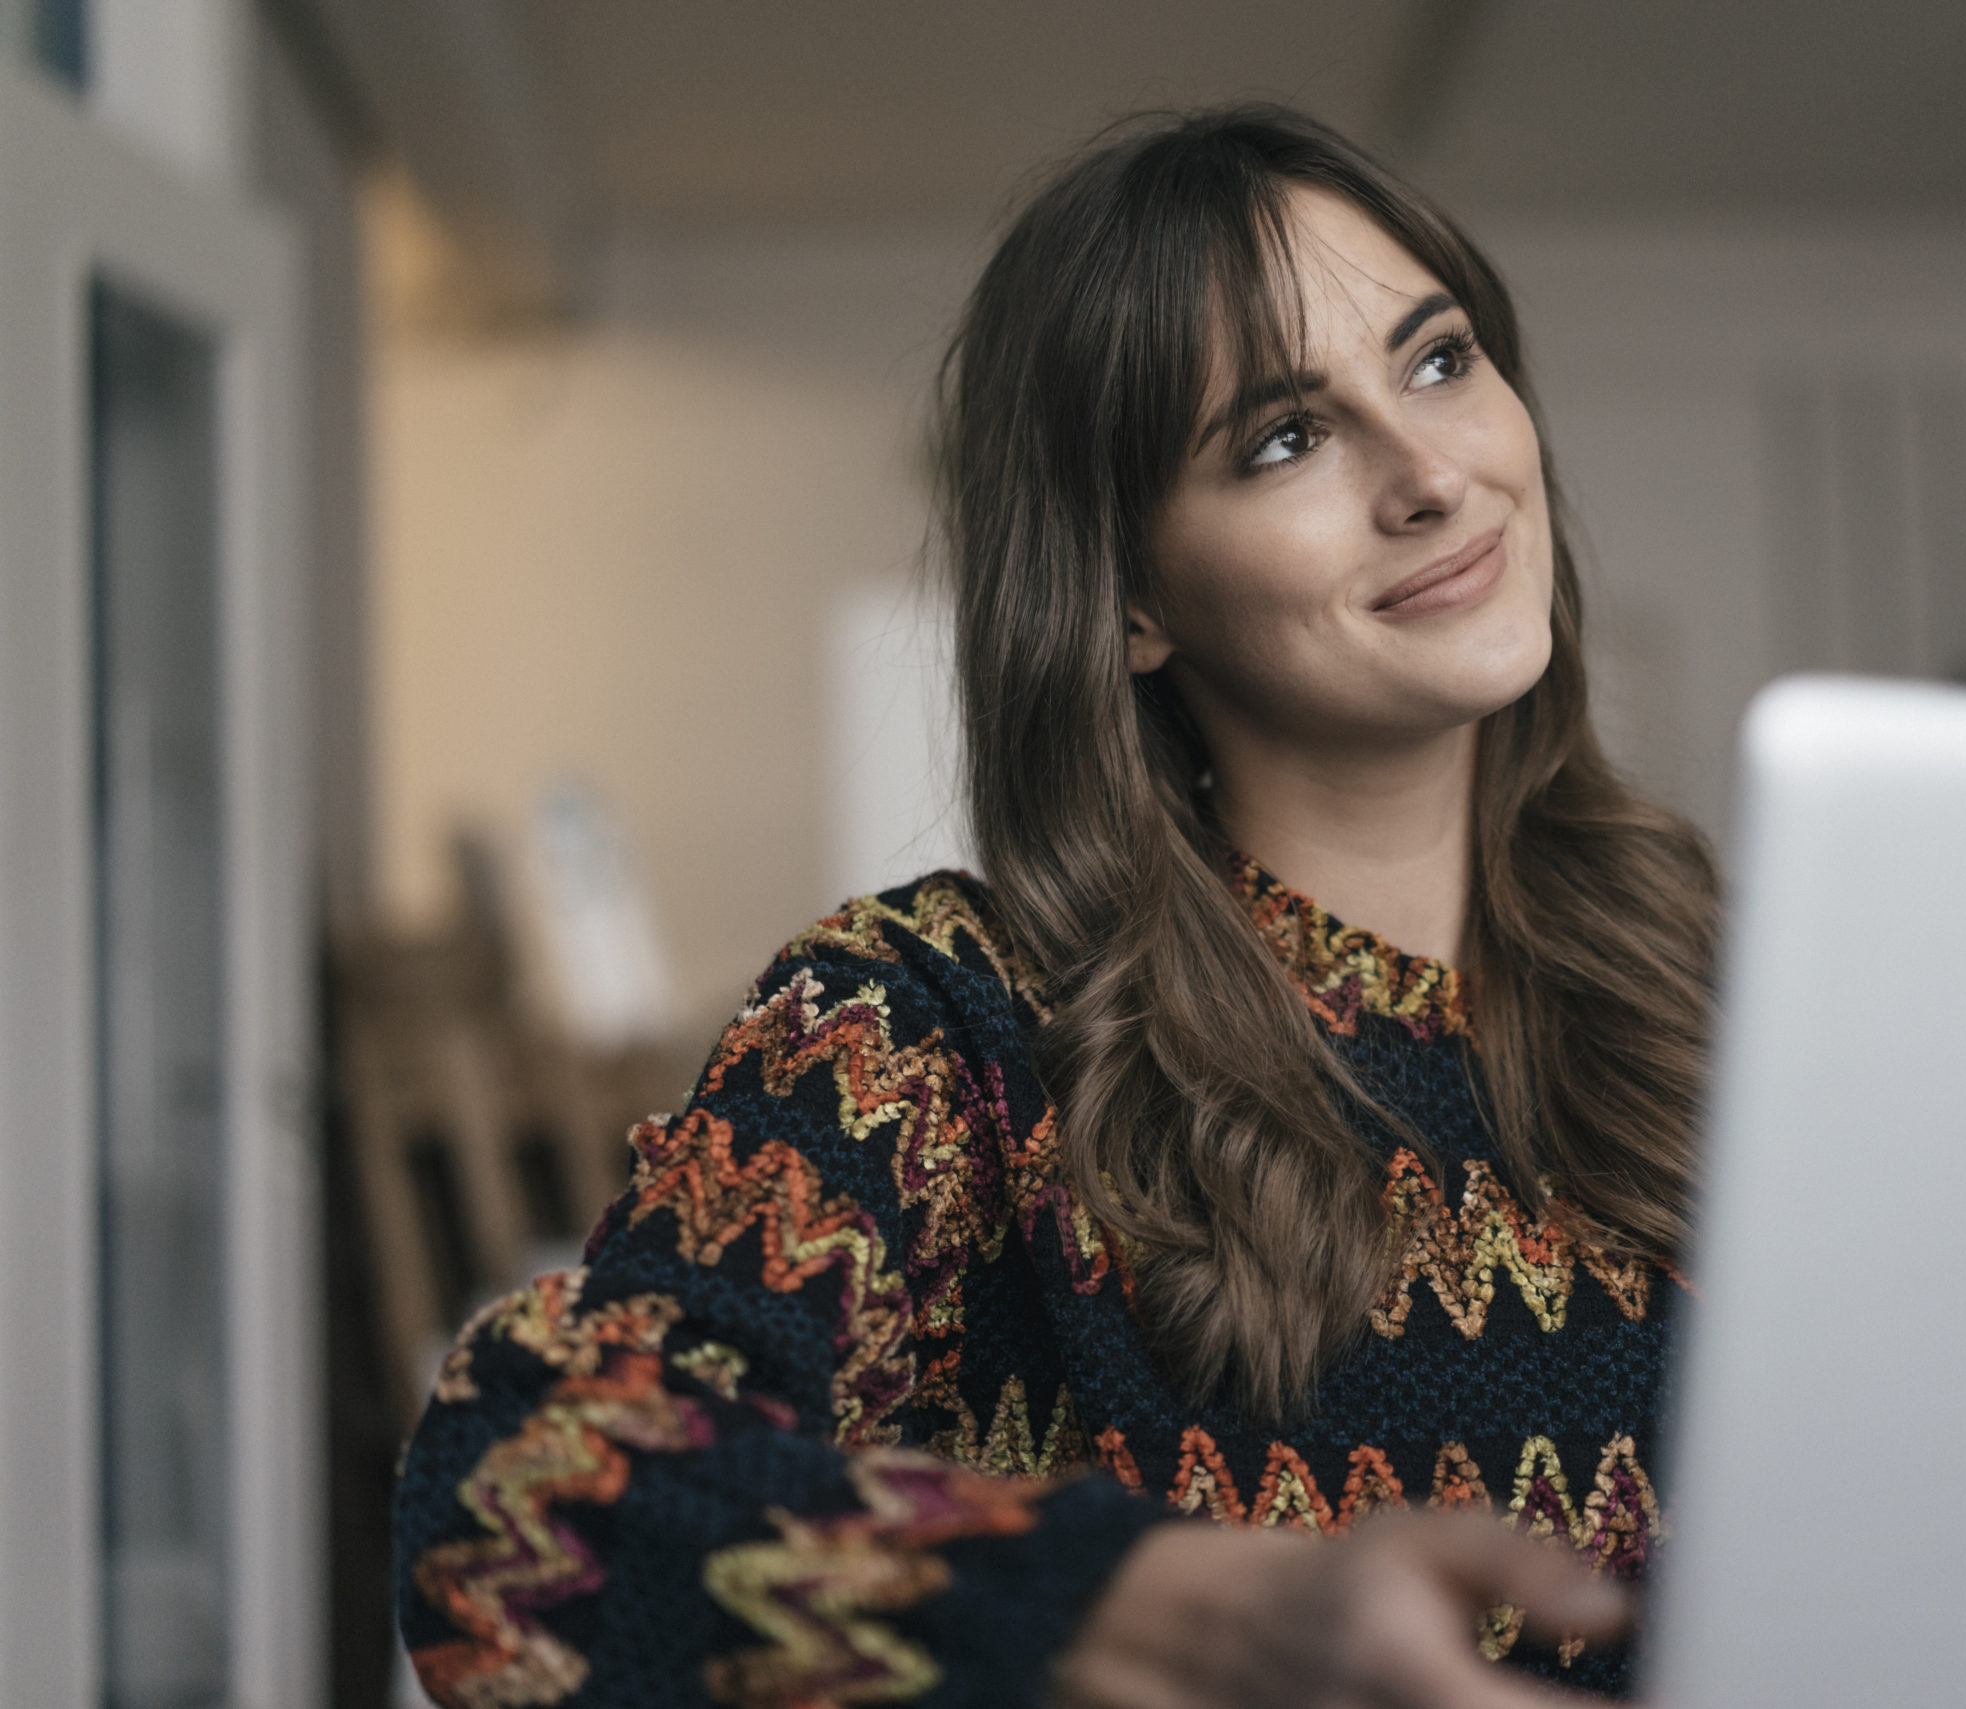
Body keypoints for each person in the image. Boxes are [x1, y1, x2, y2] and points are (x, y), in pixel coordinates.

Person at [392, 103, 1718, 1709]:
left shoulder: (1732, 975)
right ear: (1134, 596)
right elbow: (514, 1501)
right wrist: (1159, 1609)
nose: (1432, 474)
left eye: (1439, 362)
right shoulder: (942, 1019)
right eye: (1285, 437)